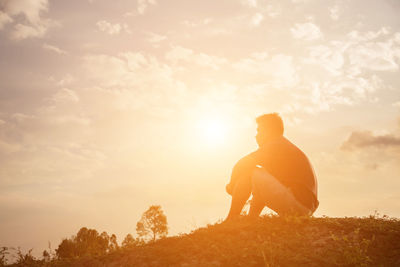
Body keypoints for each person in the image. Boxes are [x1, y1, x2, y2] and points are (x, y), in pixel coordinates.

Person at [225, 113, 318, 220]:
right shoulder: (283, 145)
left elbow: (242, 163)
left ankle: (232, 217)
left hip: (298, 204)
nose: (256, 135)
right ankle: (251, 218)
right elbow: (261, 188)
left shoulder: (275, 144)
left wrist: (231, 185)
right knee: (260, 176)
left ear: (268, 130)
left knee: (250, 171)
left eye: (259, 130)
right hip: (305, 207)